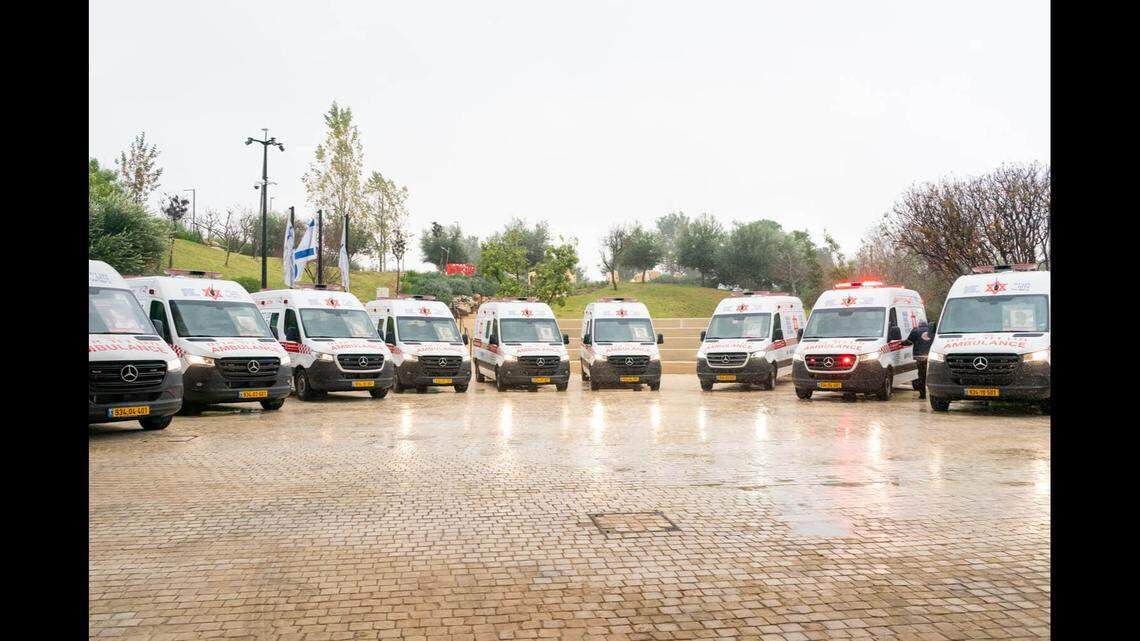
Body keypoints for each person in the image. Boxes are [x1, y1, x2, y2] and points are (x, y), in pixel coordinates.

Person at [902, 320, 934, 399]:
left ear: (919, 325)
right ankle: (933, 395)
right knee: (932, 376)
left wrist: (901, 343)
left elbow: (909, 342)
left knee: (921, 376)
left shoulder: (915, 331)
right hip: (931, 357)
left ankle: (922, 395)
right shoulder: (932, 331)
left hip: (920, 357)